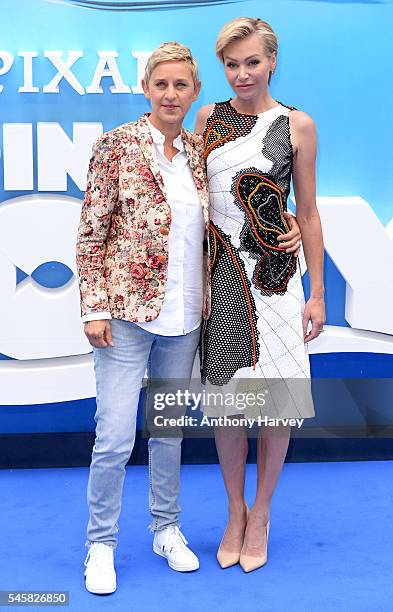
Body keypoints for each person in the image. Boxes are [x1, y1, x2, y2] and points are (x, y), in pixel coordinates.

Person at [76, 39, 302, 594]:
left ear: (195, 92)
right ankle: (101, 544)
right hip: (126, 319)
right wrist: (94, 306)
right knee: (112, 438)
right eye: (162, 84)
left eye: (181, 85)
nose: (171, 94)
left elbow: (237, 200)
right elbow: (90, 232)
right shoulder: (117, 146)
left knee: (169, 433)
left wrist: (287, 216)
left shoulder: (202, 153)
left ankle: (166, 529)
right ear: (147, 89)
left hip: (187, 320)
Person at [195, 17, 325, 572]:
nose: (242, 74)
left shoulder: (297, 124)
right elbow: (195, 199)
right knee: (228, 405)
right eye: (231, 64)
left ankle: (263, 512)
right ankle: (234, 511)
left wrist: (317, 293)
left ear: (272, 61)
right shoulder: (206, 119)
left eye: (252, 62)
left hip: (274, 279)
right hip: (219, 279)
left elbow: (310, 212)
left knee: (276, 404)